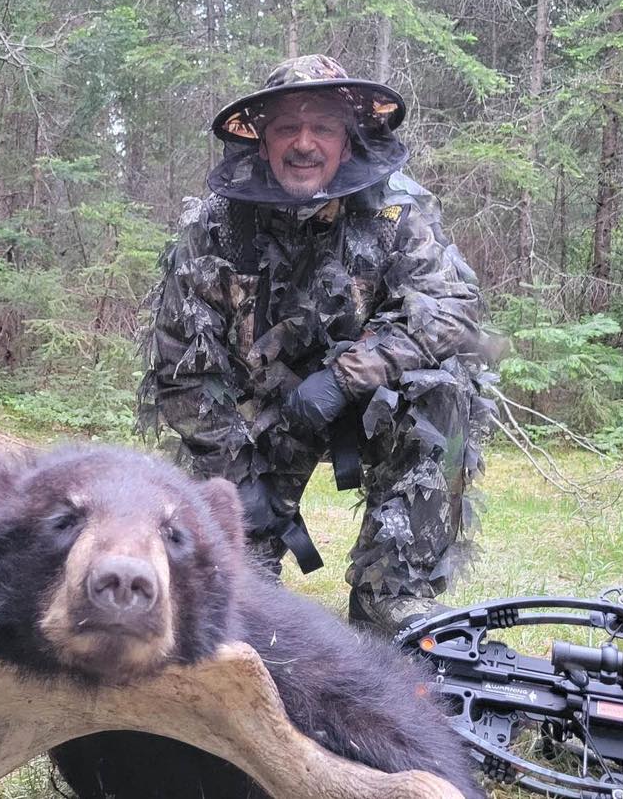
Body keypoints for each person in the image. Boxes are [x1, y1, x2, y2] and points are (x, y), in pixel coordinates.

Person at [139, 54, 497, 635]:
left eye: (322, 127)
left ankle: (393, 593)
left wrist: (347, 376)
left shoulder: (396, 211)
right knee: (235, 595)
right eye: (287, 127)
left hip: (366, 401)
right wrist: (235, 480)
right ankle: (250, 571)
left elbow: (451, 309)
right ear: (262, 142)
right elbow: (182, 367)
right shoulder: (216, 227)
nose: (304, 144)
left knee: (445, 391)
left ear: (347, 140)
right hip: (261, 418)